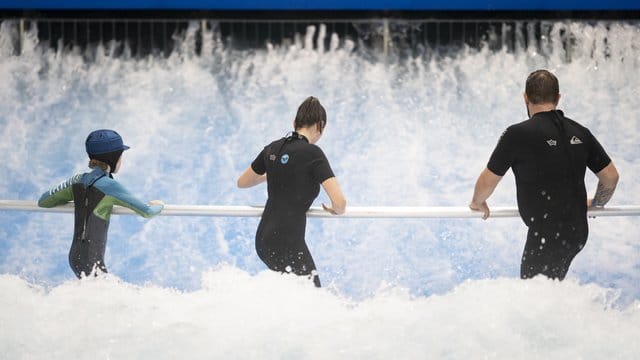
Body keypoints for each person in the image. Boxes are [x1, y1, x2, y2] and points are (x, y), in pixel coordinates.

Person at [469, 69, 619, 280]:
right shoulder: (580, 131)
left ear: (525, 98)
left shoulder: (517, 134)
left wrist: (477, 202)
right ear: (558, 98)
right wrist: (597, 202)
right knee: (549, 293)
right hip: (578, 232)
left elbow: (488, 180)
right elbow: (611, 176)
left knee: (534, 304)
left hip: (547, 235)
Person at [237, 96, 346, 287]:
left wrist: (271, 172)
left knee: (292, 297)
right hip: (287, 241)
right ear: (320, 126)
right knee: (315, 297)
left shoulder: (273, 147)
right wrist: (335, 209)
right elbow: (340, 203)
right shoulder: (313, 154)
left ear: (295, 123)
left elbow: (243, 182)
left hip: (263, 240)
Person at [38, 129, 164, 278]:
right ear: (113, 158)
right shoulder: (109, 186)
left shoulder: (77, 180)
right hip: (92, 260)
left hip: (75, 257)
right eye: (121, 156)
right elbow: (147, 211)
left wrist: (76, 197)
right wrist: (159, 204)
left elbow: (44, 201)